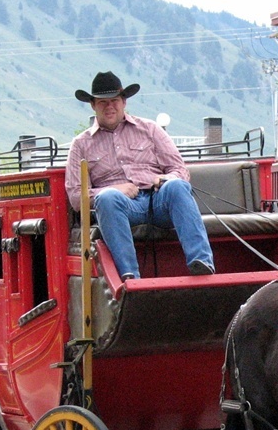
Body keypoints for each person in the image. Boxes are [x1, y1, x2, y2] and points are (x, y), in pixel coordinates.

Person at [65, 71, 214, 279]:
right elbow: (75, 197)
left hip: (159, 202)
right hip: (121, 209)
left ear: (124, 101)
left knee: (178, 186)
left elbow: (180, 170)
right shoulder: (80, 145)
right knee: (108, 198)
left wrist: (164, 180)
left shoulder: (150, 129)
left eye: (114, 100)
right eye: (102, 102)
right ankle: (129, 276)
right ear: (93, 105)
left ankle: (202, 262)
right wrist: (115, 189)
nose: (109, 106)